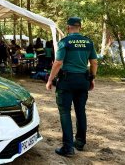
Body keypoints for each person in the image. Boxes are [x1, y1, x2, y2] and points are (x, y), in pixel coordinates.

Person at [46, 17, 98, 157]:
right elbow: (94, 63)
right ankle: (80, 142)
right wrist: (92, 78)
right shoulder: (88, 42)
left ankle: (68, 148)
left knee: (65, 112)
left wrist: (50, 80)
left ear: (68, 27)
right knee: (81, 111)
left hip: (67, 81)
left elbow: (58, 63)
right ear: (80, 27)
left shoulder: (65, 42)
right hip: (83, 80)